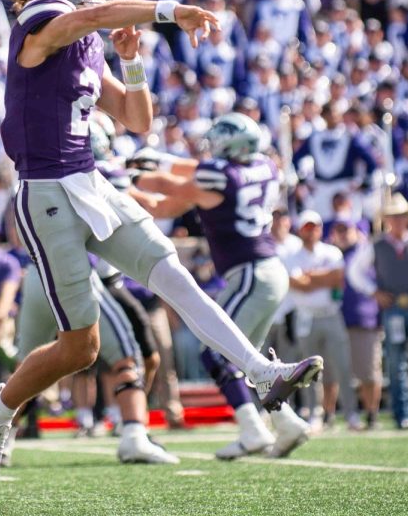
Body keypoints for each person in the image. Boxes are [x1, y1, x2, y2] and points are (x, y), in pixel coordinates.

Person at [0, 0, 322, 478]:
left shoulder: (86, 42)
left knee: (172, 274)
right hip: (45, 193)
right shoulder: (42, 13)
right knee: (79, 350)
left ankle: (259, 372)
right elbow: (99, 13)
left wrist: (132, 62)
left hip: (89, 183)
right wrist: (170, 11)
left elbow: (136, 120)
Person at [123, 113, 314, 459]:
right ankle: (286, 423)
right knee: (246, 360)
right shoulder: (264, 167)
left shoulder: (222, 176)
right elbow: (171, 196)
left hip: (251, 273)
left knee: (216, 352)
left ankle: (253, 430)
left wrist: (126, 175)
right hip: (267, 272)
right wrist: (159, 167)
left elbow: (167, 187)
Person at [17, 258, 178, 464]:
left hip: (85, 278)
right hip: (79, 276)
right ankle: (133, 430)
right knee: (126, 359)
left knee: (146, 358)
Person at [346, 194, 408, 429]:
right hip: (393, 308)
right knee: (395, 364)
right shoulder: (377, 245)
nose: (398, 220)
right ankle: (403, 416)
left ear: (407, 218)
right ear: (388, 219)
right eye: (394, 216)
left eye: (401, 216)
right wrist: (374, 292)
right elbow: (355, 272)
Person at [280, 211, 356, 432]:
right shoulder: (292, 256)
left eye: (314, 227)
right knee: (309, 371)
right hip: (306, 317)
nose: (311, 231)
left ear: (320, 229)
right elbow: (298, 284)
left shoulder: (331, 252)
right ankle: (315, 412)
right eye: (306, 227)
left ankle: (351, 413)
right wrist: (322, 278)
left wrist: (310, 277)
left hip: (331, 315)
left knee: (342, 366)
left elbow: (336, 279)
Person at [331, 219, 382, 430]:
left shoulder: (365, 253)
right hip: (337, 320)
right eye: (339, 230)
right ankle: (337, 415)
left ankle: (372, 414)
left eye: (347, 229)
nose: (343, 234)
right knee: (335, 373)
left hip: (364, 320)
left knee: (368, 372)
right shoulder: (332, 255)